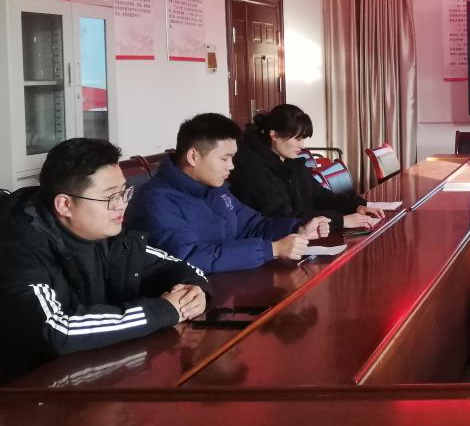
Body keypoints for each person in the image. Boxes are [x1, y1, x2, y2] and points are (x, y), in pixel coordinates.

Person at [0, 138, 211, 384]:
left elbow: (179, 267)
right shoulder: (18, 246)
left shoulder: (106, 233)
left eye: (124, 192)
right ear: (65, 204)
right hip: (27, 389)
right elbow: (55, 330)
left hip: (94, 373)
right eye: (111, 196)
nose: (122, 205)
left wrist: (194, 291)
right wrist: (163, 310)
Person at [127, 113, 328, 273]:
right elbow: (190, 257)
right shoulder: (157, 201)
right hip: (193, 301)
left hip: (231, 286)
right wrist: (272, 249)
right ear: (193, 156)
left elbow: (252, 225)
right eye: (224, 159)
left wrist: (298, 228)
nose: (231, 166)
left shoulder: (215, 189)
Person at [229, 104, 381, 231]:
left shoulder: (290, 163)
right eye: (298, 139)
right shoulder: (252, 170)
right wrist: (340, 221)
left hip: (301, 239)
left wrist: (355, 206)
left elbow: (320, 196)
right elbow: (280, 218)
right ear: (274, 135)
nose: (302, 146)